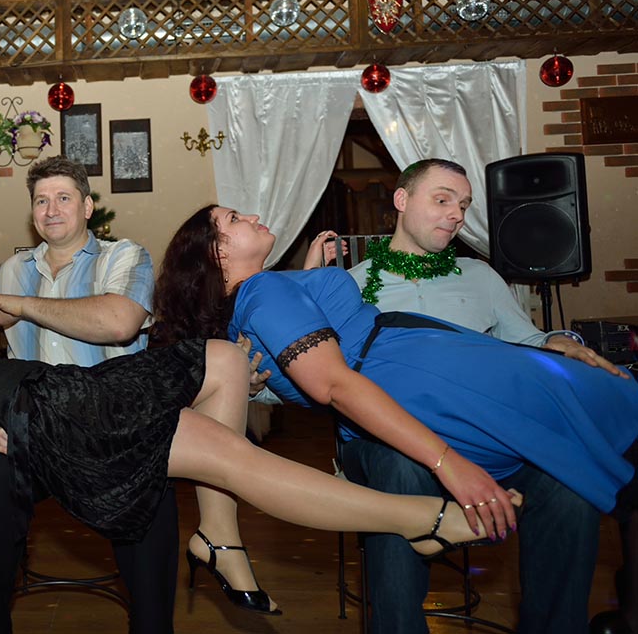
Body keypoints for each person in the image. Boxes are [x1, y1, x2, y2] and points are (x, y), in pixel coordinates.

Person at [0, 322, 521, 633]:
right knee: (242, 461)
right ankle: (422, 519)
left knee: (224, 359)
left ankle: (219, 531)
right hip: (61, 421)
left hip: (82, 391)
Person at [154, 205, 638, 551]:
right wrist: (448, 463)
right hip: (416, 371)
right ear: (217, 253)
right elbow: (332, 384)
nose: (253, 215)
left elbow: (306, 368)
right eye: (234, 219)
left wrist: (307, 281)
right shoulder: (263, 291)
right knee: (589, 403)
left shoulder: (251, 311)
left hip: (407, 374)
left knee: (573, 419)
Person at [311, 158, 612, 634]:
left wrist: (562, 341)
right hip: (385, 440)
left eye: (464, 205)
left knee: (569, 479)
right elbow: (309, 375)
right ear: (402, 200)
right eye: (442, 200)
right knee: (400, 467)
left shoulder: (480, 276)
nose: (456, 214)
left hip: (483, 436)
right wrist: (259, 378)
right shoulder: (349, 285)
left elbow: (527, 341)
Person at [0, 156, 203, 633]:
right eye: (41, 201)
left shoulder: (124, 256)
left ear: (87, 206)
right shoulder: (14, 268)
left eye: (63, 198)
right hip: (32, 430)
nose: (51, 209)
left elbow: (119, 323)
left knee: (152, 500)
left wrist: (19, 304)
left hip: (115, 431)